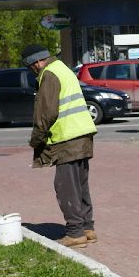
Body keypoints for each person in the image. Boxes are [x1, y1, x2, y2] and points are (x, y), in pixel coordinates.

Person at [23, 47, 97, 247]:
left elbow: (45, 112)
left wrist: (36, 140)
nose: (33, 73)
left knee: (65, 187)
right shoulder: (63, 68)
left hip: (67, 139)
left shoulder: (49, 74)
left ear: (36, 63)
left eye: (31, 68)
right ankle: (87, 228)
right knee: (80, 186)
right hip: (82, 134)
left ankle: (75, 233)